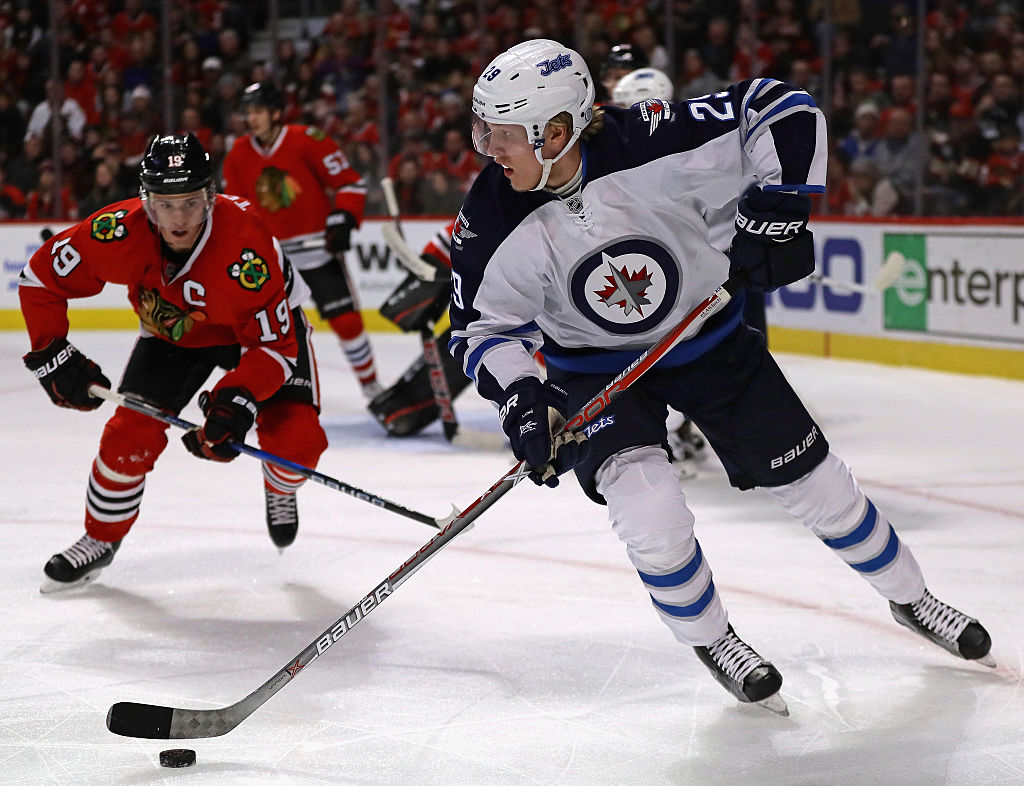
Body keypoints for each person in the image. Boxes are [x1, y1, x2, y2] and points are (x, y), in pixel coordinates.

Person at [449, 39, 993, 713]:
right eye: (484, 132)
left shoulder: (653, 138)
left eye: (503, 136)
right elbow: (482, 331)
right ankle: (713, 639)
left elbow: (780, 108)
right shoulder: (488, 217)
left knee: (819, 487)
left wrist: (782, 202)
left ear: (557, 130)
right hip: (592, 369)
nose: (488, 151)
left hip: (708, 340)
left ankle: (915, 600)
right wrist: (524, 402)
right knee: (648, 510)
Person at [20, 133, 328, 593]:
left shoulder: (246, 251)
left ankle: (280, 486)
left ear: (210, 195)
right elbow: (40, 277)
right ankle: (100, 538)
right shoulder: (117, 231)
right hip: (177, 333)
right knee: (127, 437)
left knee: (296, 444)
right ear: (145, 202)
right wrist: (50, 354)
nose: (179, 218)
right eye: (165, 204)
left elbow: (275, 349)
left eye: (190, 202)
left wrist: (237, 400)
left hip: (259, 337)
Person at [222, 80, 381, 399]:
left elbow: (349, 184)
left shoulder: (307, 140)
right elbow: (235, 210)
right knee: (257, 330)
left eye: (259, 111)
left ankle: (373, 389)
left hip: (317, 251)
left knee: (347, 322)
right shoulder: (238, 153)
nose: (252, 118)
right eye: (248, 112)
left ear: (277, 113)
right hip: (270, 258)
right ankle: (255, 392)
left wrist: (343, 217)